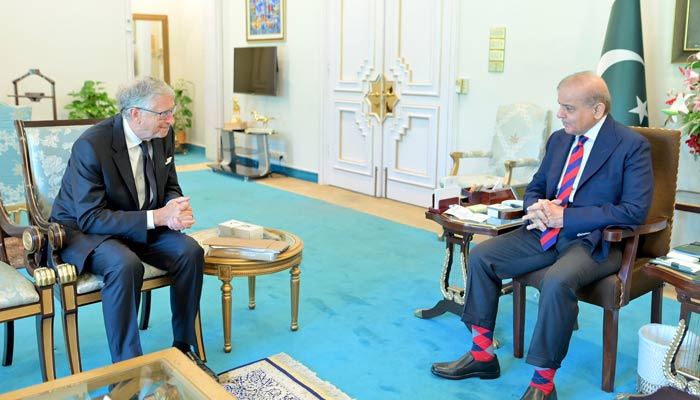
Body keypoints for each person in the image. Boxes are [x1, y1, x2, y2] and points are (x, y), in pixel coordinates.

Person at [430, 71, 653, 400]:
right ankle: (481, 355)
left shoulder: (631, 146)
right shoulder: (560, 140)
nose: (560, 114)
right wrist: (536, 207)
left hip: (594, 241)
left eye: (568, 108)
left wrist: (568, 217)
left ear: (598, 110)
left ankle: (543, 385)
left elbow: (634, 210)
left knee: (557, 281)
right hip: (544, 231)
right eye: (559, 106)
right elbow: (536, 187)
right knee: (482, 256)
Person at [50, 76, 206, 366]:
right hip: (86, 231)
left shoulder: (162, 135)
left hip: (139, 221)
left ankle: (184, 349)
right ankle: (128, 368)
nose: (171, 120)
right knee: (124, 264)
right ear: (135, 113)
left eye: (172, 112)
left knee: (190, 252)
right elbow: (91, 216)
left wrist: (174, 207)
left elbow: (169, 183)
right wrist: (157, 217)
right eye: (164, 113)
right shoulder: (92, 145)